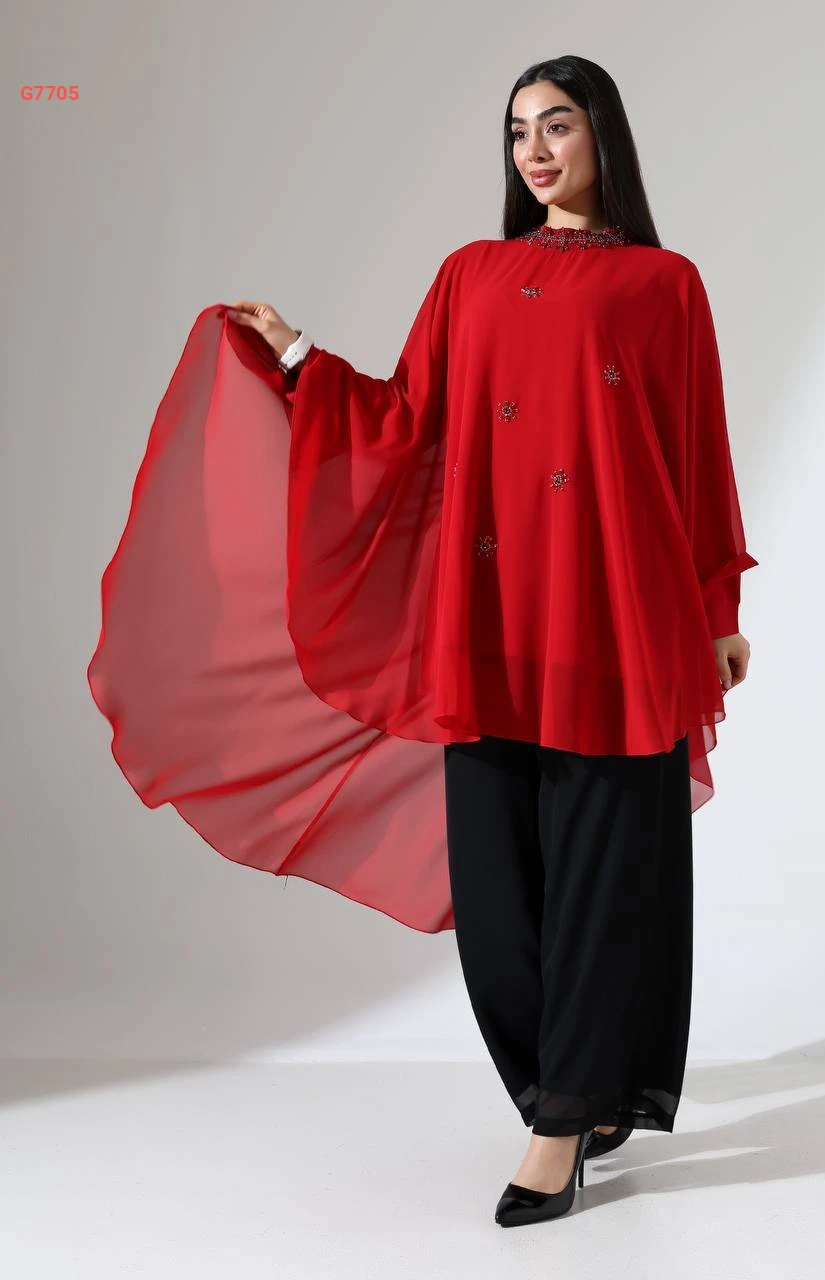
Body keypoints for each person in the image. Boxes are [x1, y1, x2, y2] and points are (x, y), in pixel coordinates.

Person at [87, 55, 758, 1227]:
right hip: (491, 620)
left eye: (558, 125)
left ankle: (560, 1125)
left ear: (603, 135)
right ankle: (573, 1087)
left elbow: (696, 453)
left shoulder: (666, 284)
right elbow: (406, 419)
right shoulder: (471, 275)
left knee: (608, 877)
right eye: (518, 131)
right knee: (499, 894)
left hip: (619, 613)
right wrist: (300, 359)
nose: (536, 150)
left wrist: (718, 614)